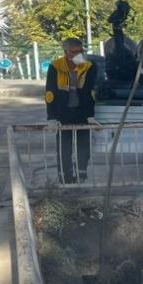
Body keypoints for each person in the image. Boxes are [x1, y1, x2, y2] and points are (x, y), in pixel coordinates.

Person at [46, 38, 99, 183]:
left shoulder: (89, 66)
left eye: (81, 51)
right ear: (66, 52)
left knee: (84, 148)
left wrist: (90, 116)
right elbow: (50, 93)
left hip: (82, 114)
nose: (79, 55)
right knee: (64, 150)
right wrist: (52, 117)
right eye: (75, 52)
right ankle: (65, 178)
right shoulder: (55, 67)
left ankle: (81, 176)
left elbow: (90, 92)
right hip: (63, 114)